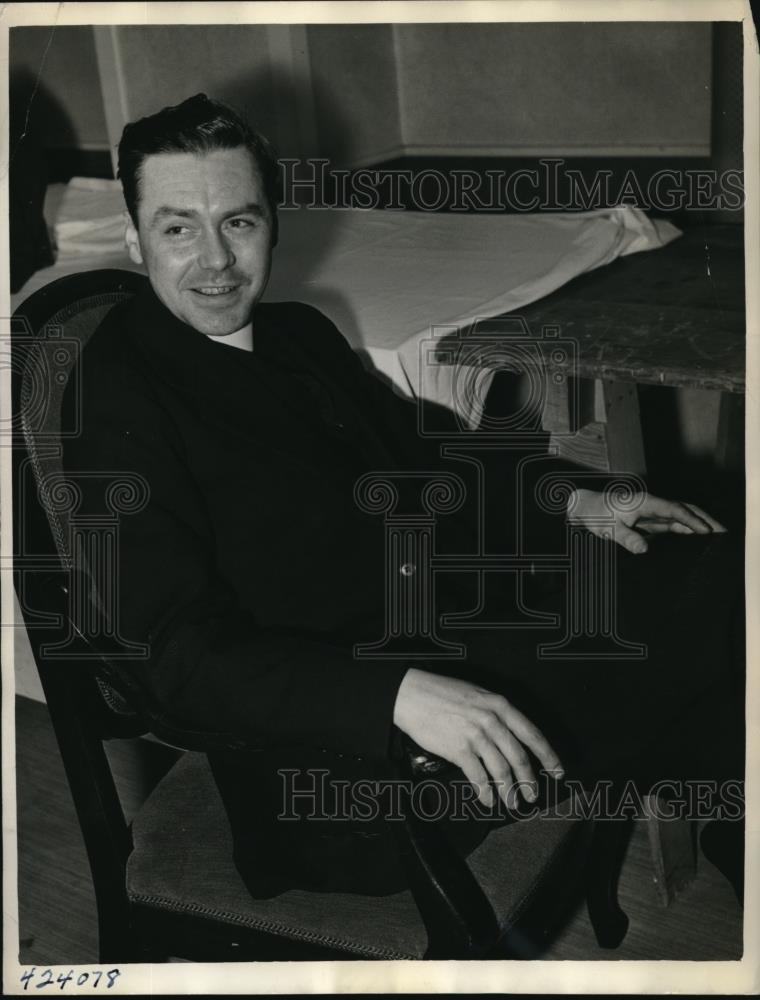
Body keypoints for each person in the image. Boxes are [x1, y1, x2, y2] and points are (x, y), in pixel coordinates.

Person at [61, 94, 744, 901]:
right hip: (342, 774)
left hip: (434, 634)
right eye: (179, 228)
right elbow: (170, 653)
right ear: (136, 240)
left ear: (272, 222)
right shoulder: (116, 397)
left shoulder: (296, 334)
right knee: (699, 631)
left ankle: (731, 818)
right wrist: (391, 694)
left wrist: (574, 499)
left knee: (709, 568)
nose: (215, 260)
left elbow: (424, 452)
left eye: (238, 223)